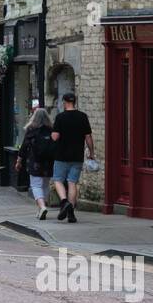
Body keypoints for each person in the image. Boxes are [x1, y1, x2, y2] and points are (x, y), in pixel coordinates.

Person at [51, 92, 93, 223]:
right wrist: (92, 153)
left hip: (61, 155)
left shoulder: (60, 117)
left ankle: (64, 202)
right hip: (77, 155)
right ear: (74, 102)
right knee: (72, 182)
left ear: (64, 102)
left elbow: (55, 137)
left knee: (58, 180)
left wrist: (52, 134)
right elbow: (88, 137)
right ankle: (71, 214)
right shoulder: (83, 117)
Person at [15, 107, 55, 221]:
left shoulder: (31, 129)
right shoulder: (51, 129)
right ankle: (41, 208)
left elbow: (24, 147)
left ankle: (42, 207)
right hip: (48, 162)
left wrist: (19, 161)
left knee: (36, 186)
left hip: (35, 161)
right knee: (45, 186)